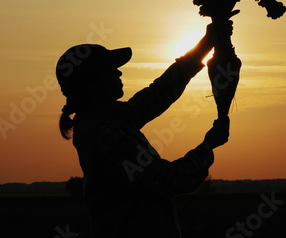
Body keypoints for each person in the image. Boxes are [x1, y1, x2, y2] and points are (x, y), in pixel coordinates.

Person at [55, 22, 232, 238]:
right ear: (92, 83)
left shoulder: (108, 119)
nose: (118, 73)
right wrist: (207, 147)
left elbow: (157, 94)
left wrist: (204, 46)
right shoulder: (103, 132)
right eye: (110, 69)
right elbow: (169, 180)